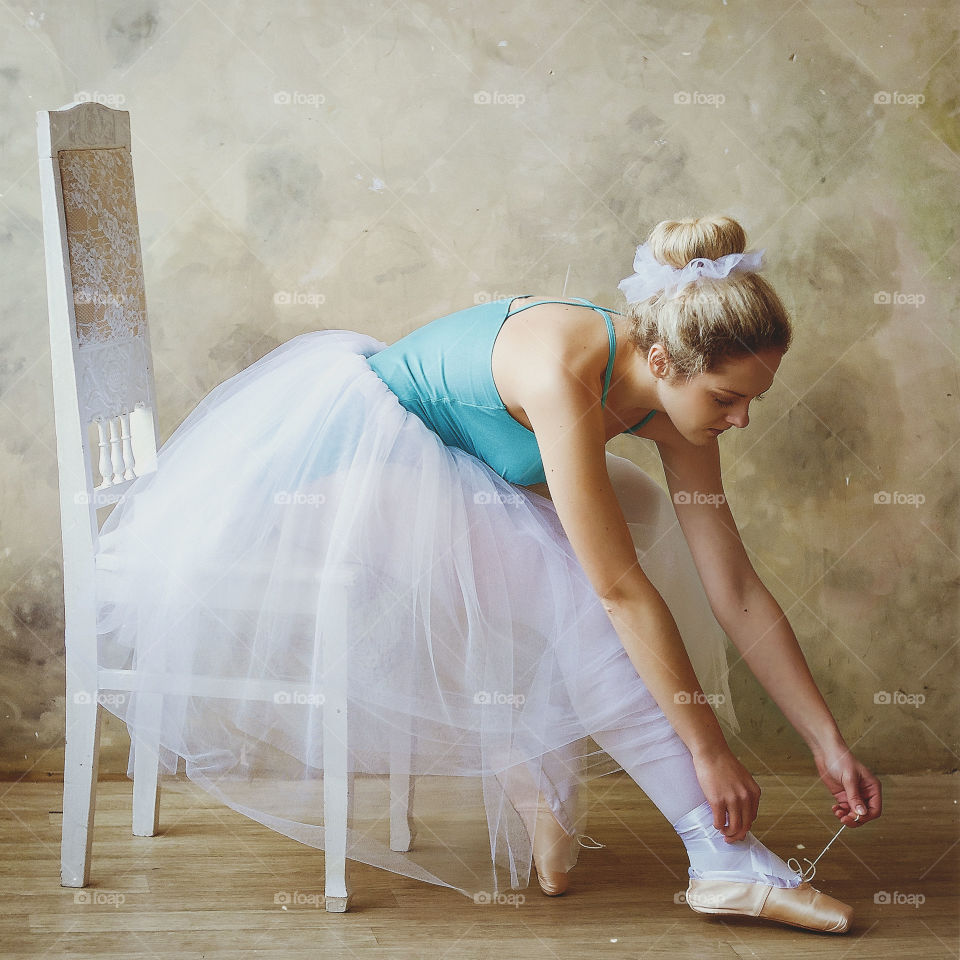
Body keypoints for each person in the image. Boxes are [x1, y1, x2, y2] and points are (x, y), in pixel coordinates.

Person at [93, 214, 881, 932]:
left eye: (753, 400)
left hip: (462, 467)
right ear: (663, 358)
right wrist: (709, 751)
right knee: (585, 596)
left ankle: (542, 760)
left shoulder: (681, 402)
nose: (740, 420)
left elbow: (735, 588)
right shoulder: (561, 375)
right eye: (727, 398)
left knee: (640, 517)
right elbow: (615, 592)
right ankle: (721, 857)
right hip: (345, 479)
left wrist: (827, 739)